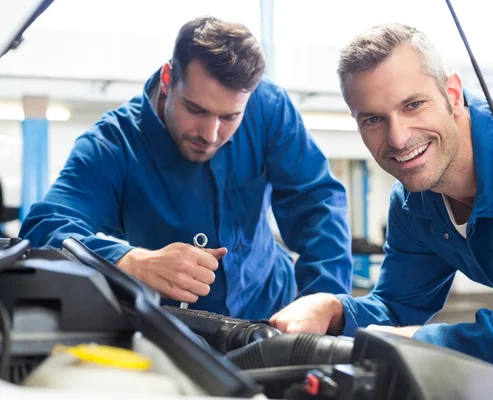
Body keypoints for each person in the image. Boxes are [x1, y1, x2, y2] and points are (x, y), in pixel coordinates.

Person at [269, 23, 493, 387]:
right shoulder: (414, 205)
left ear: (452, 93)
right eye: (374, 119)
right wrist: (335, 310)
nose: (398, 137)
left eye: (413, 105)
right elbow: (396, 309)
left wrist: (413, 341)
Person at [19, 16, 353, 320]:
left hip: (274, 310)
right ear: (167, 79)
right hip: (174, 330)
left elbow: (317, 205)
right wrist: (131, 261)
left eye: (229, 117)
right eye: (196, 109)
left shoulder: (269, 107)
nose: (210, 134)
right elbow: (43, 227)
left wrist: (323, 305)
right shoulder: (112, 144)